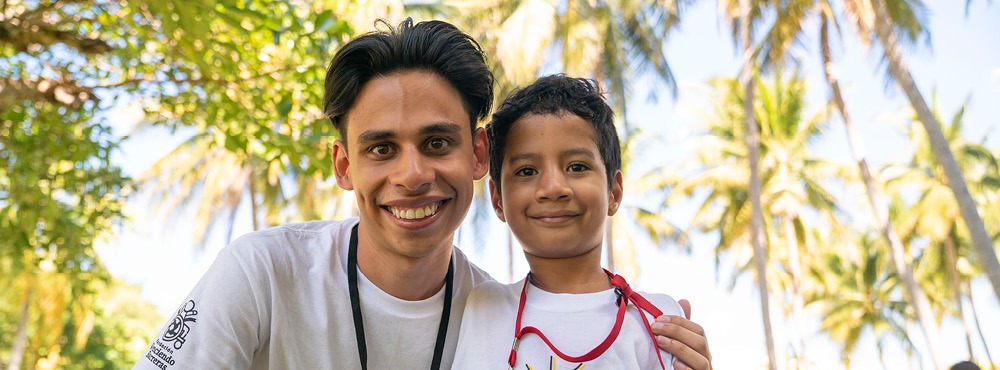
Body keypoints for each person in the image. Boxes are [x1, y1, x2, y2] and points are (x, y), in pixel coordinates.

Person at [135, 19, 711, 370]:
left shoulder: (495, 313)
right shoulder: (263, 272)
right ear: (344, 165)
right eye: (381, 148)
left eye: (437, 142)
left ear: (480, 156)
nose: (412, 175)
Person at [451, 74, 693, 369]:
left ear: (613, 192)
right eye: (526, 171)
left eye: (577, 167)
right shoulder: (482, 307)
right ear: (498, 199)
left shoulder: (659, 322)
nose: (553, 188)